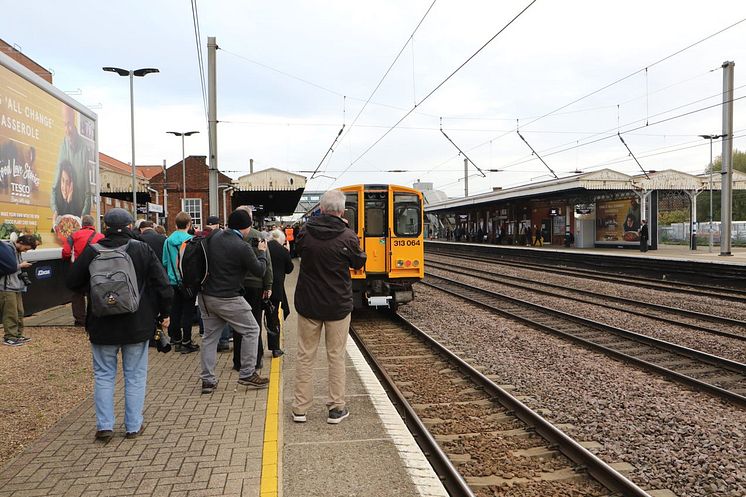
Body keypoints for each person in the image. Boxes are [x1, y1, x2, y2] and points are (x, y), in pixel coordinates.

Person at [66, 208, 172, 441]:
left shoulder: (93, 251)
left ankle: (105, 427)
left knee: (103, 375)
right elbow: (163, 284)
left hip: (102, 323)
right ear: (130, 226)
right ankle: (133, 426)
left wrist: (94, 292)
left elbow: (72, 281)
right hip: (137, 323)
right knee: (134, 375)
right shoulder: (141, 249)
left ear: (106, 228)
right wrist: (165, 313)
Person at [292, 189, 367, 425]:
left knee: (305, 355)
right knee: (336, 356)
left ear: (321, 209)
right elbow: (359, 261)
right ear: (342, 211)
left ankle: (300, 409)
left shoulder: (305, 232)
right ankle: (336, 408)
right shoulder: (348, 236)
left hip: (308, 304)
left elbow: (296, 252)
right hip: (337, 304)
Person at [199, 209, 270, 394]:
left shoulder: (213, 237)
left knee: (209, 338)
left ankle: (207, 381)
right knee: (252, 330)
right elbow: (259, 271)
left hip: (206, 297)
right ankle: (247, 373)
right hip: (229, 298)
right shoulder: (242, 246)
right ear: (247, 228)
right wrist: (261, 252)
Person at [232, 206, 273, 372]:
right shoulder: (259, 236)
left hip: (236, 287)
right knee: (255, 323)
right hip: (255, 286)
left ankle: (238, 361)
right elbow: (267, 263)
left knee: (237, 324)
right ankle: (256, 359)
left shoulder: (230, 237)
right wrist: (268, 285)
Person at [162, 212, 199, 353]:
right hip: (188, 282)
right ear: (189, 224)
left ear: (175, 224)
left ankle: (176, 340)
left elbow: (165, 261)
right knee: (188, 312)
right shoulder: (192, 240)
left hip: (173, 281)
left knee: (175, 311)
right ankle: (186, 342)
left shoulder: (167, 241)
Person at [62, 215, 104, 326]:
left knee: (77, 294)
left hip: (78, 268)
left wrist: (69, 260)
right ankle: (94, 317)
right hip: (96, 268)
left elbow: (66, 252)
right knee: (94, 293)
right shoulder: (101, 236)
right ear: (93, 224)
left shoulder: (74, 235)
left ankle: (80, 319)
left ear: (82, 224)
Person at [51, 105, 91, 223]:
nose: (67, 130)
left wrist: (84, 215)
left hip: (78, 214)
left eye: (69, 124)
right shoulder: (62, 146)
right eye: (64, 125)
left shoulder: (84, 148)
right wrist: (55, 210)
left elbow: (87, 191)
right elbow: (54, 187)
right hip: (62, 212)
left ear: (74, 122)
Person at [1, 235, 37, 346]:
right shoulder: (7, 249)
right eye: (25, 248)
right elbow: (10, 267)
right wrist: (21, 265)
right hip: (6, 287)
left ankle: (17, 335)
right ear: (19, 242)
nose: (25, 251)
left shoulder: (15, 251)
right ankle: (10, 337)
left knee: (19, 312)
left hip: (16, 286)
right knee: (10, 313)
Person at [267, 229, 294, 358]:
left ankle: (256, 350)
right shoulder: (282, 250)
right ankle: (275, 349)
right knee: (273, 318)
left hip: (260, 288)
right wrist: (287, 252)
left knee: (258, 318)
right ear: (281, 239)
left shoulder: (263, 246)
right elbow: (290, 269)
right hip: (276, 289)